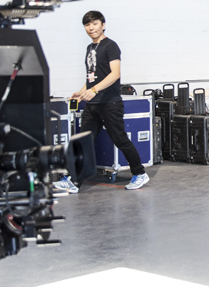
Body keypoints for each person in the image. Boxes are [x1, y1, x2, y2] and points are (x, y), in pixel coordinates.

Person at [56, 11, 149, 192]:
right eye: (87, 25)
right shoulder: (90, 49)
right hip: (93, 104)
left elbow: (115, 74)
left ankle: (140, 173)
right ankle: (74, 181)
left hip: (110, 103)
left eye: (95, 23)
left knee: (120, 140)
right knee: (82, 142)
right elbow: (92, 78)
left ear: (103, 25)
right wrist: (81, 93)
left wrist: (94, 90)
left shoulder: (110, 46)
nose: (91, 28)